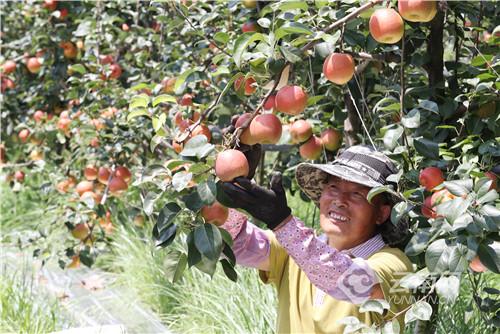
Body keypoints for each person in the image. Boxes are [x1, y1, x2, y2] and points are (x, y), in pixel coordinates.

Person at [218, 145, 414, 333]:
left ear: (382, 213)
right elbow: (229, 243)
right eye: (333, 187)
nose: (339, 200)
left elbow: (353, 283)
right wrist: (227, 181)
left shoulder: (395, 264)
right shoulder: (293, 249)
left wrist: (282, 224)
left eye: (357, 194)